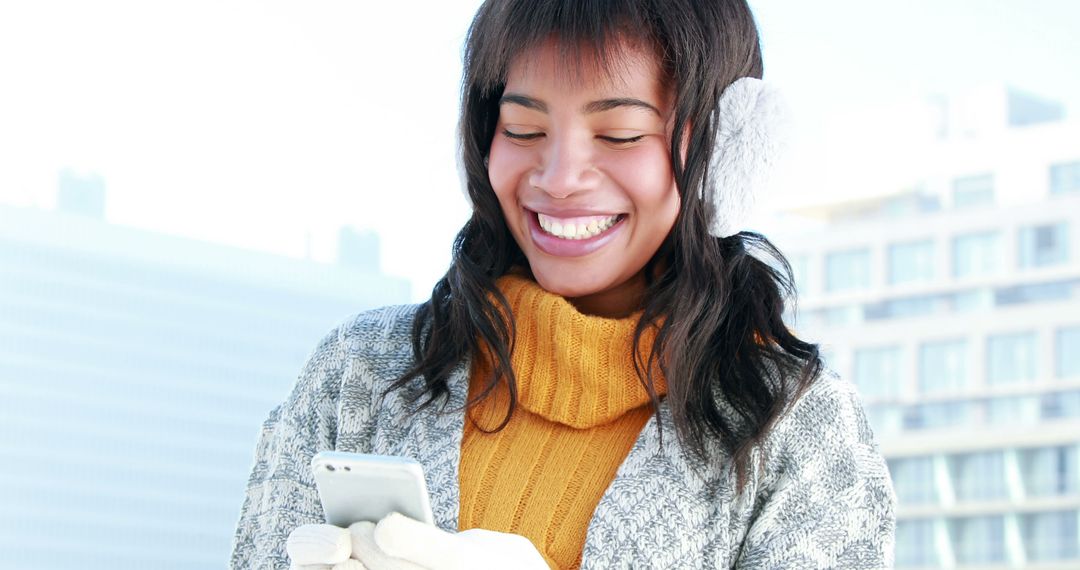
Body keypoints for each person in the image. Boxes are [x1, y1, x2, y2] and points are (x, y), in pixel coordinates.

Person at [230, 0, 897, 568]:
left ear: (726, 154)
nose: (558, 176)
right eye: (525, 128)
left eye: (619, 133)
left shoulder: (796, 433)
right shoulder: (361, 374)